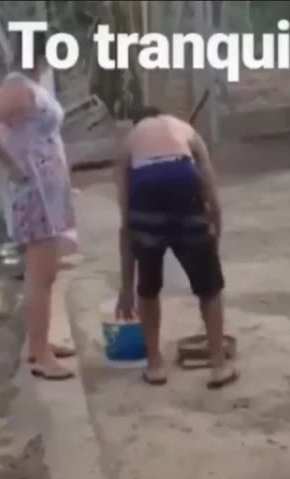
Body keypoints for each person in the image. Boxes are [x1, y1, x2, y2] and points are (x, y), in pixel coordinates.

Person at [0, 32, 76, 380]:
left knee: (47, 271)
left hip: (47, 188)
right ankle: (41, 354)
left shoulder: (29, 85)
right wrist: (14, 166)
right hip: (35, 191)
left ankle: (39, 343)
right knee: (39, 272)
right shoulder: (17, 88)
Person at [115, 107, 238, 389]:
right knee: (209, 289)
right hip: (183, 178)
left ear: (137, 123)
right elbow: (211, 191)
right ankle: (219, 366)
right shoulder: (185, 129)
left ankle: (155, 365)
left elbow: (126, 222)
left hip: (145, 190)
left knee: (148, 288)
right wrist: (213, 243)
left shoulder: (130, 141)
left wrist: (127, 287)